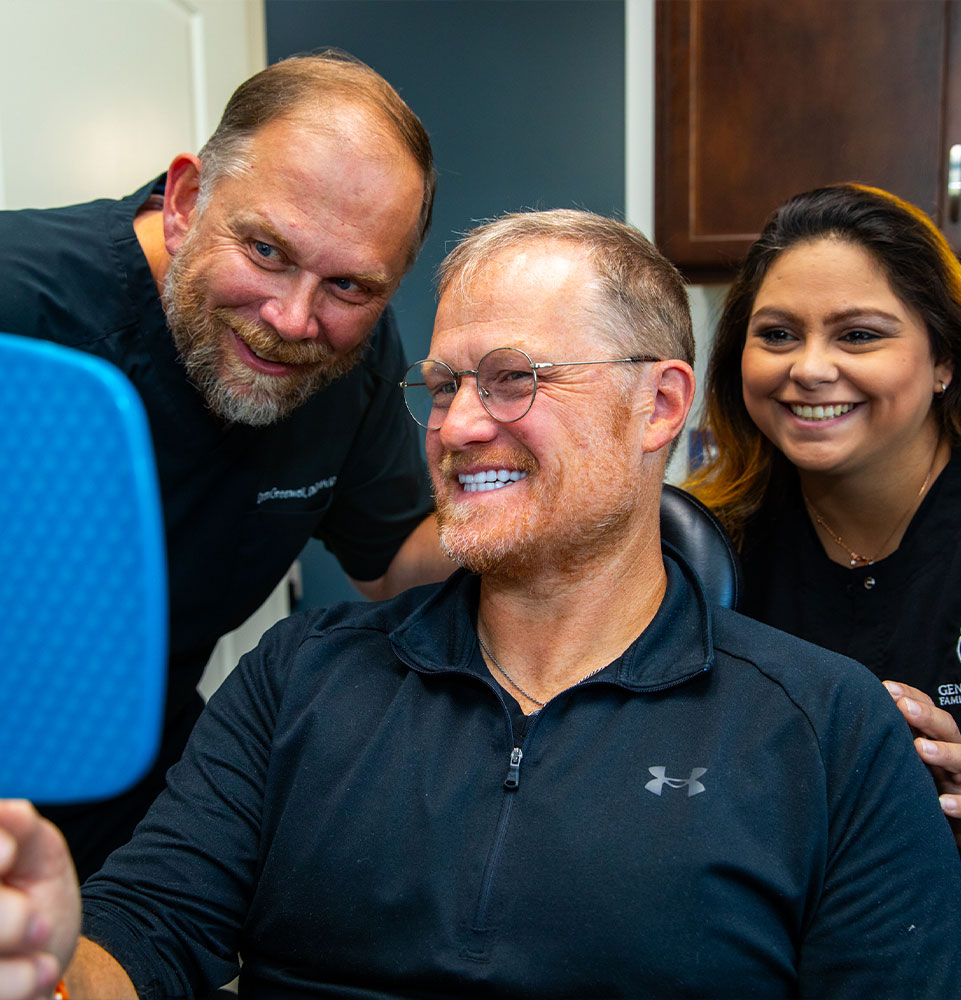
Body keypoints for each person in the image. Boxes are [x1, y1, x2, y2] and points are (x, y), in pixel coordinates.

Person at [2, 209, 960, 1000]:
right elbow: (146, 938)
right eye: (445, 385)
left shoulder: (827, 732)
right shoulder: (298, 679)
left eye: (513, 381)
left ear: (660, 406)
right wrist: (45, 958)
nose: (458, 426)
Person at [0, 51, 456, 881]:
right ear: (184, 203)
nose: (292, 317)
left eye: (351, 286)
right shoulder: (19, 297)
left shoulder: (343, 360)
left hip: (127, 820)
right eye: (266, 250)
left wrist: (530, 501)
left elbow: (393, 564)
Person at [686, 183, 961, 848]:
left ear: (943, 361)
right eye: (777, 334)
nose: (808, 369)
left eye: (858, 335)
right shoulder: (701, 548)